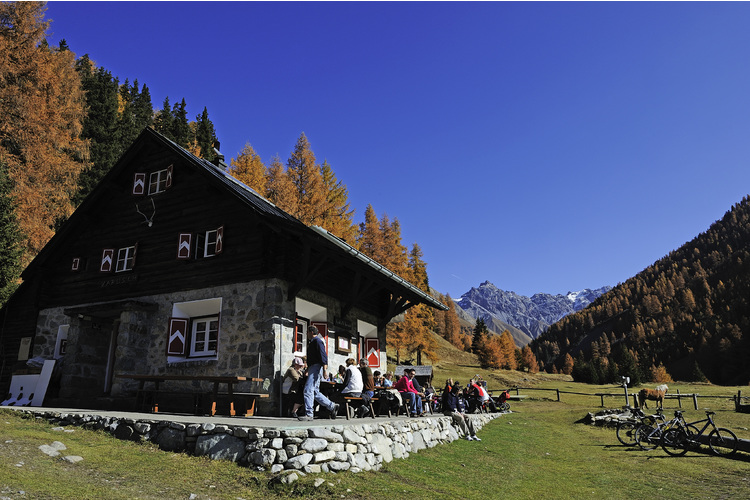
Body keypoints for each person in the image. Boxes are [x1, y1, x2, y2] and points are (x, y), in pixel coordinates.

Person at [299, 325, 339, 421]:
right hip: (314, 367)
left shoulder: (317, 341)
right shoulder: (313, 342)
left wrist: (325, 370)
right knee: (315, 392)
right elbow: (313, 357)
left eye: (307, 332)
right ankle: (332, 406)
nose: (306, 334)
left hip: (317, 367)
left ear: (311, 332)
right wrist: (308, 368)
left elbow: (323, 356)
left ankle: (309, 414)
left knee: (308, 390)